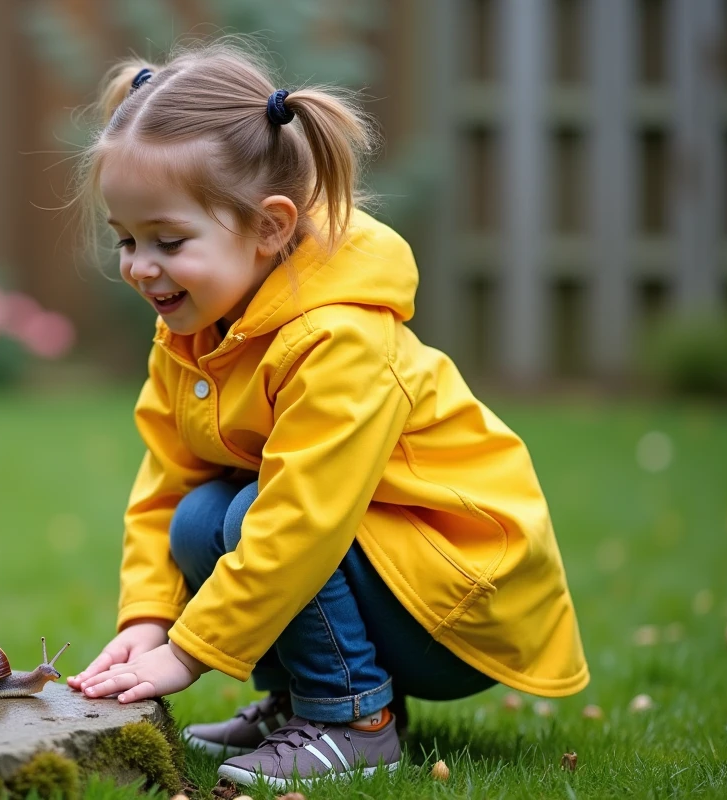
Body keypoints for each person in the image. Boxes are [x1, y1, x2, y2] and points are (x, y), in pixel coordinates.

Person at [64, 40, 588, 789]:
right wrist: (146, 618)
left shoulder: (338, 338)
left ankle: (354, 719)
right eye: (126, 239)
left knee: (253, 515)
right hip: (383, 567)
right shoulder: (193, 334)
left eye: (169, 241)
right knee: (199, 516)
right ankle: (302, 702)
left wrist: (186, 653)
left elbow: (304, 519)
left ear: (272, 227)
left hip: (460, 596)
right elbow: (166, 483)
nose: (141, 266)